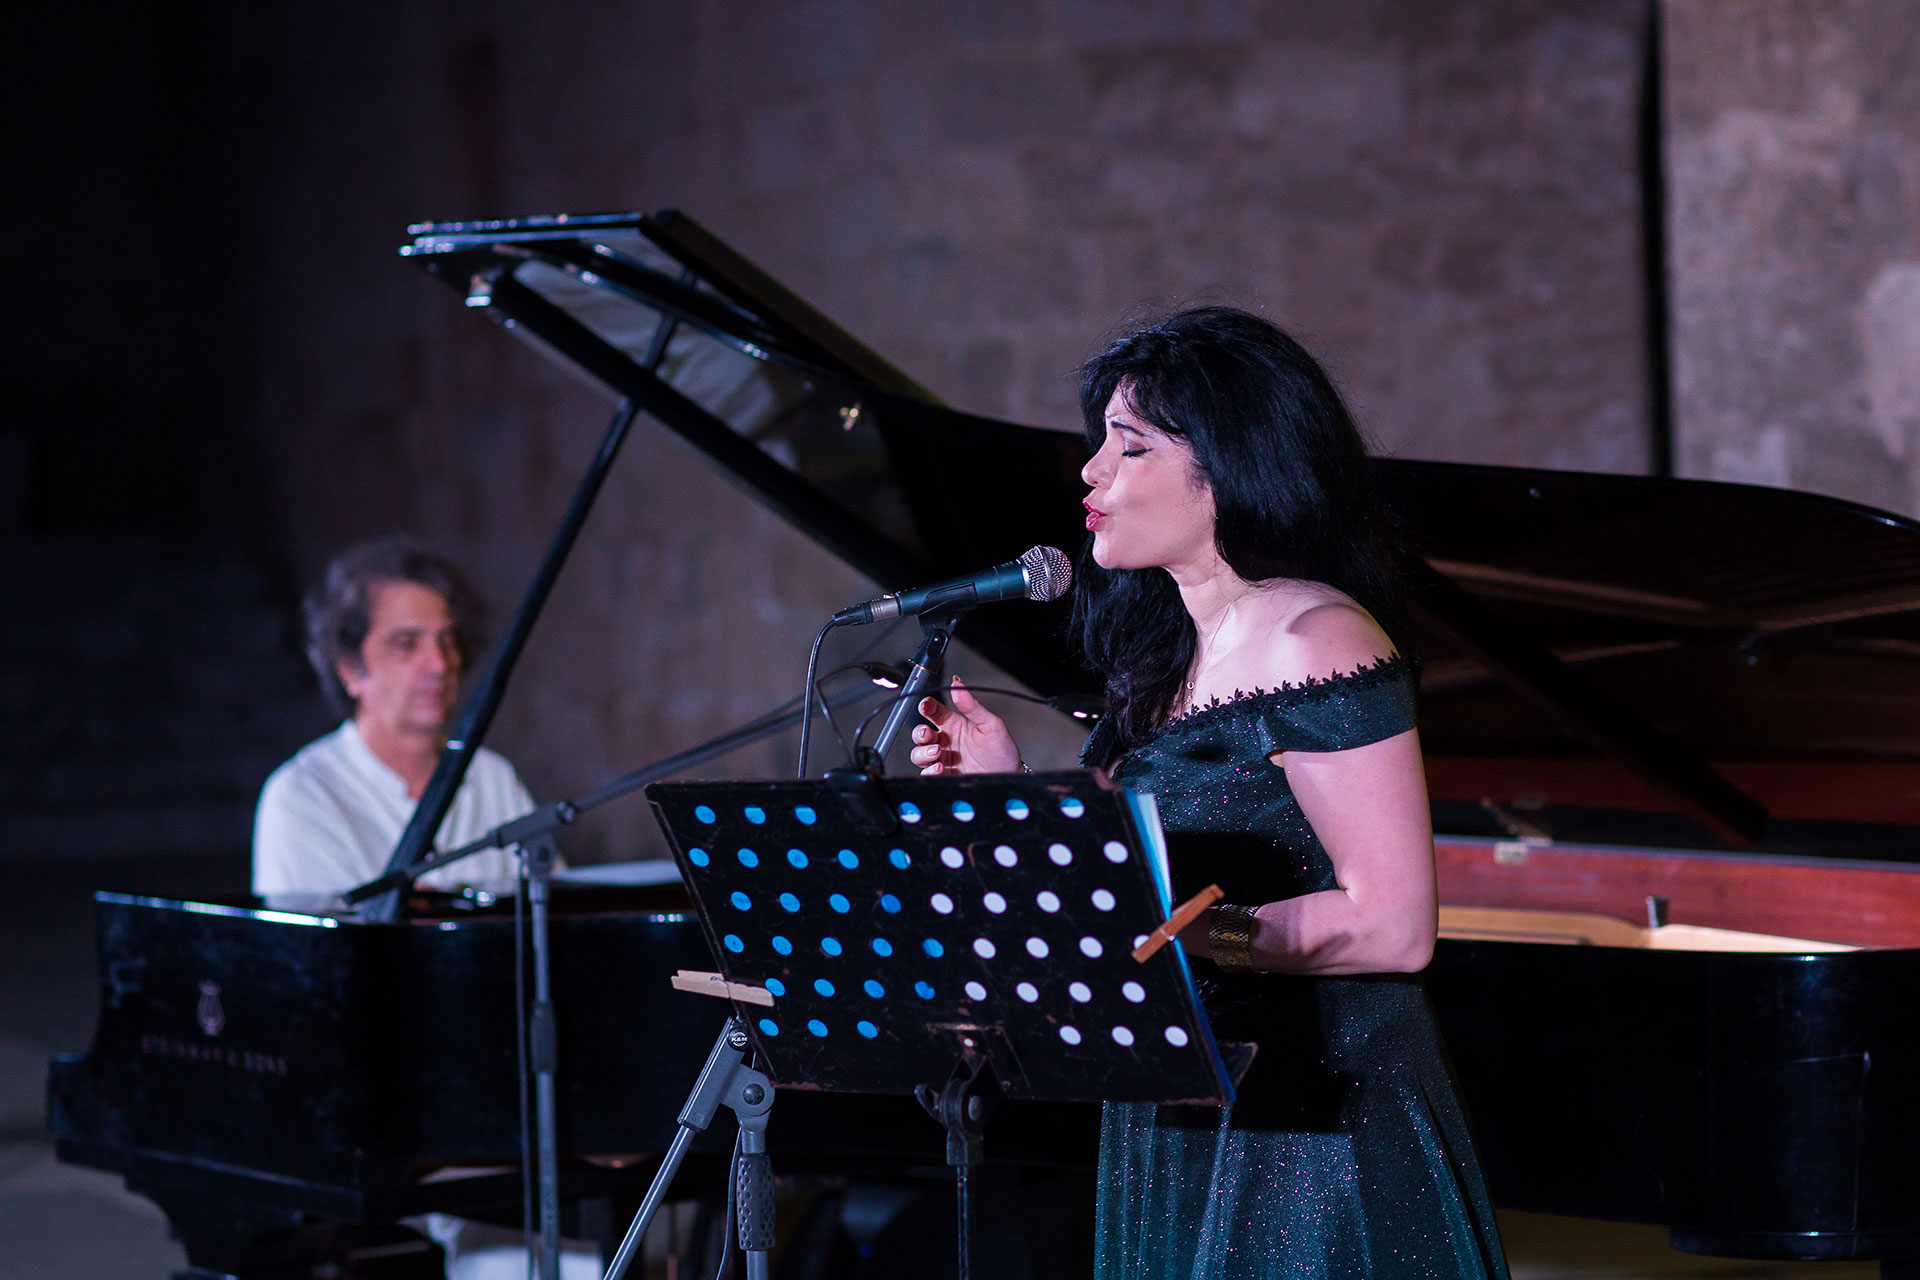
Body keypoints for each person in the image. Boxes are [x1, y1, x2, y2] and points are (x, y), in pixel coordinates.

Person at [909, 308, 1510, 1279]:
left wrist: (1190, 936)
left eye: (1131, 445)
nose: (1091, 472)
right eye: (1100, 441)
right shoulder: (1167, 666)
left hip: (1312, 1136)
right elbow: (1126, 892)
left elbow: (1394, 926)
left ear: (1228, 466)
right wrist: (1009, 791)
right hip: (1190, 1104)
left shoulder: (1315, 638)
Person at [253, 537, 529, 903]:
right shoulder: (303, 797)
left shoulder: (493, 780)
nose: (439, 665)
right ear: (350, 669)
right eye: (406, 644)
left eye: (447, 642)